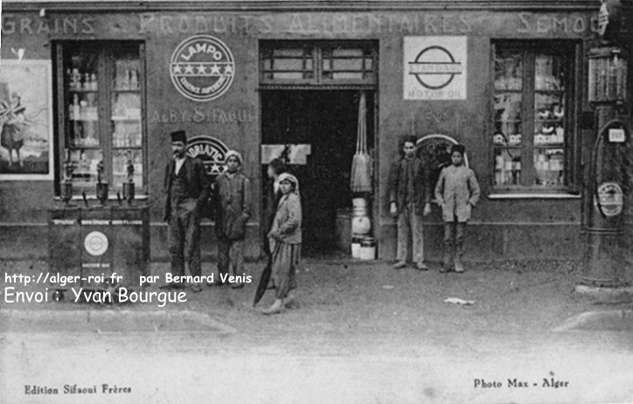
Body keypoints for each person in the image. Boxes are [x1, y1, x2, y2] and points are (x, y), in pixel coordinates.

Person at [163, 130, 210, 292]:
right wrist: (168, 208)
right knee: (174, 247)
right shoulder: (170, 164)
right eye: (174, 145)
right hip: (173, 210)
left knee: (192, 247)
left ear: (186, 146)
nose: (176, 148)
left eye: (179, 145)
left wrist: (196, 205)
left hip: (189, 210)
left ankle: (195, 281)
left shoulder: (195, 164)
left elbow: (206, 188)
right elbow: (167, 188)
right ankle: (177, 280)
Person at [434, 144, 481, 273]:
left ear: (462, 157)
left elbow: (476, 191)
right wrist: (441, 203)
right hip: (448, 209)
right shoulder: (445, 171)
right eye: (454, 156)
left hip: (462, 210)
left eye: (458, 156)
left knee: (459, 237)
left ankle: (458, 261)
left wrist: (470, 204)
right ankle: (447, 262)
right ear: (451, 157)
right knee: (447, 237)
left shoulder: (468, 172)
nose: (456, 159)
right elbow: (437, 190)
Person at [387, 135, 431, 270]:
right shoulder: (398, 164)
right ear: (403, 149)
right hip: (402, 203)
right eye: (406, 148)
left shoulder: (421, 164)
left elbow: (426, 185)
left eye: (411, 147)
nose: (408, 150)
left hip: (416, 203)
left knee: (417, 232)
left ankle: (419, 260)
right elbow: (392, 185)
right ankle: (401, 259)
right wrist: (393, 202)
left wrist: (427, 203)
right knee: (402, 231)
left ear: (416, 148)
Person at [263, 173, 302, 315]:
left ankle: (279, 301)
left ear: (292, 186)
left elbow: (294, 220)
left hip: (287, 239)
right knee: (288, 270)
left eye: (287, 183)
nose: (283, 186)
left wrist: (279, 231)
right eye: (281, 183)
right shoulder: (284, 199)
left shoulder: (292, 199)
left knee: (281, 270)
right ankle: (290, 297)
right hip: (284, 238)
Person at [214, 150, 251, 288]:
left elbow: (247, 207)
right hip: (222, 221)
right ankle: (223, 277)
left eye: (235, 161)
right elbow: (216, 202)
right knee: (222, 254)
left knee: (237, 253)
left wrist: (241, 221)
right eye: (229, 160)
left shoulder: (244, 181)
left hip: (237, 221)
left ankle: (238, 279)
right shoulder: (219, 180)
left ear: (239, 164)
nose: (232, 163)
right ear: (225, 163)